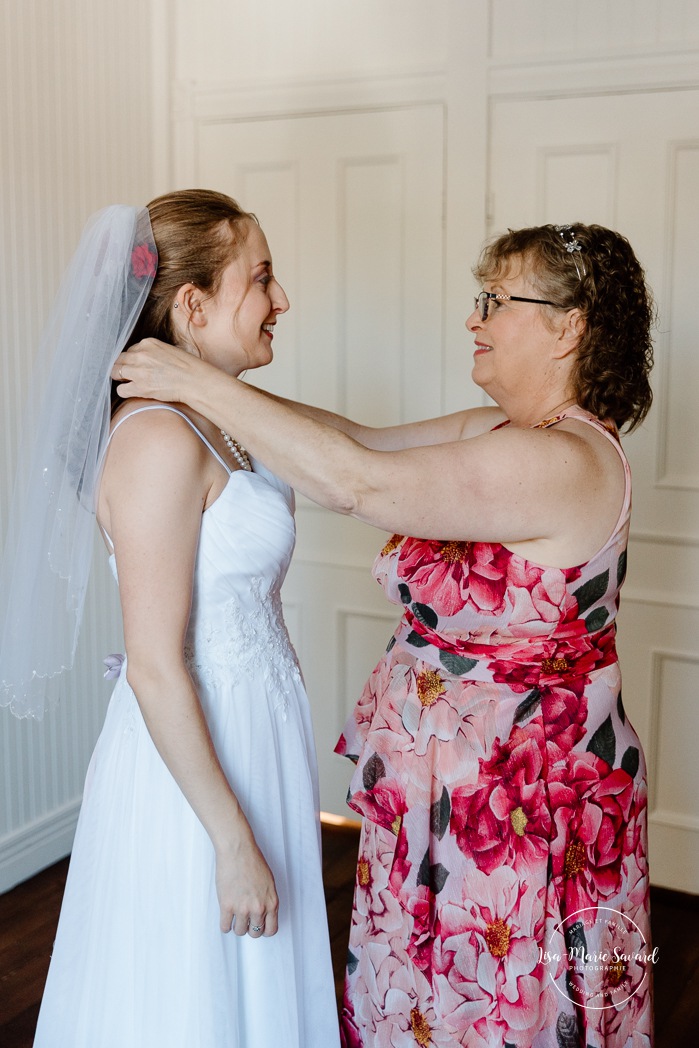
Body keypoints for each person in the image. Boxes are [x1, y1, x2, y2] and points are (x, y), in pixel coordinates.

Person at [112, 222, 655, 1047]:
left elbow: (357, 482)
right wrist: (202, 388)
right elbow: (354, 438)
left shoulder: (561, 462)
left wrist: (195, 377)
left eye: (494, 303)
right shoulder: (498, 432)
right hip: (440, 793)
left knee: (498, 1010)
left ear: (566, 326)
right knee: (425, 1003)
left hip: (515, 812)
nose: (472, 321)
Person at [0, 191, 340, 1047]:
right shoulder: (158, 440)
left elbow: (362, 451)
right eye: (261, 279)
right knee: (186, 996)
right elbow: (153, 663)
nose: (282, 300)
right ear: (190, 306)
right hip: (193, 768)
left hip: (253, 735)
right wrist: (229, 839)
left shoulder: (225, 422)